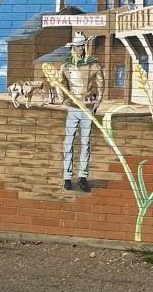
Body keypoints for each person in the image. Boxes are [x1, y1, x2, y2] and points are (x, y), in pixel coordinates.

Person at [56, 31, 104, 192]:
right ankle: (67, 178)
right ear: (73, 48)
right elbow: (59, 83)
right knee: (68, 143)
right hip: (73, 108)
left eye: (82, 46)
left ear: (85, 46)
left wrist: (97, 101)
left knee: (86, 143)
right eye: (77, 47)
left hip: (88, 108)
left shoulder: (93, 64)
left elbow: (100, 84)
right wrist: (63, 99)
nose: (80, 49)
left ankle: (82, 177)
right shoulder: (67, 65)